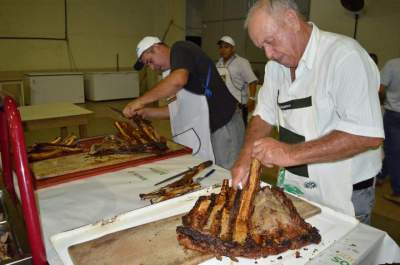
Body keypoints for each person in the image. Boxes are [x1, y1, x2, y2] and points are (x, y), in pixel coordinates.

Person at [231, 0, 384, 224]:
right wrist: (245, 158)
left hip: (346, 192)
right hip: (297, 186)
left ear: (292, 20)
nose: (269, 54)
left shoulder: (343, 56)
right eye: (261, 47)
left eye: (270, 42)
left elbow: (367, 135)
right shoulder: (275, 68)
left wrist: (289, 154)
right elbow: (263, 115)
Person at [123, 36, 245, 169]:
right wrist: (146, 112)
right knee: (215, 174)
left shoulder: (180, 48)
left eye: (150, 61)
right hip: (208, 129)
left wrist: (139, 101)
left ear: (157, 48)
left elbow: (179, 80)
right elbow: (176, 110)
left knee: (228, 175)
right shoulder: (170, 73)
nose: (152, 68)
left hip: (224, 124)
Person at [216, 36, 258, 127]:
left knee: (240, 131)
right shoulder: (218, 63)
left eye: (226, 47)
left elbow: (252, 81)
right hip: (223, 104)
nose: (223, 50)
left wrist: (252, 99)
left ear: (233, 49)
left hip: (239, 106)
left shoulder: (242, 62)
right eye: (221, 47)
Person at [379, 57, 400, 204]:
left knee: (392, 152)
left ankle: (398, 190)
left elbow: (380, 89)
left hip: (393, 114)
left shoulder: (392, 64)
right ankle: (381, 175)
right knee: (395, 149)